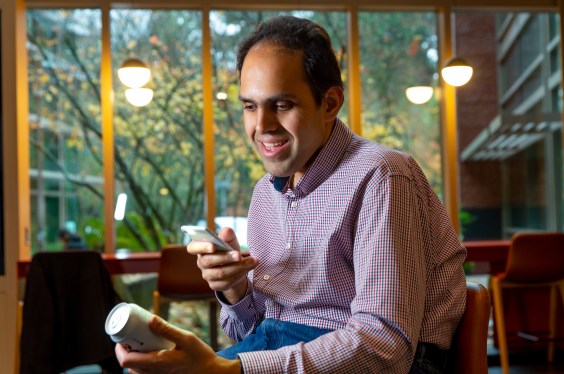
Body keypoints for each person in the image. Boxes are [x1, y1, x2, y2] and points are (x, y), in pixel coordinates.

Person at [115, 15, 467, 373]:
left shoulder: (383, 176)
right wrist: (236, 289)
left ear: (329, 104)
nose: (262, 126)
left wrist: (231, 371)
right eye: (250, 106)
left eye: (281, 105)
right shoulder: (265, 193)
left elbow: (385, 345)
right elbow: (256, 333)